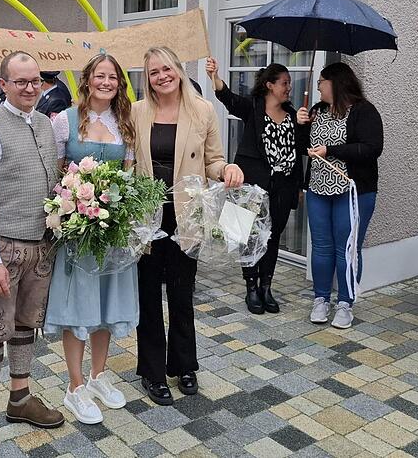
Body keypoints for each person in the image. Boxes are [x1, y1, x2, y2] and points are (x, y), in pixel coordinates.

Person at [131, 46, 244, 406]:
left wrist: (226, 170)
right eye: (153, 72)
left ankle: (183, 365)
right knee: (148, 296)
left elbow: (214, 160)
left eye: (167, 68)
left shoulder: (202, 110)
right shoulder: (136, 112)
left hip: (186, 216)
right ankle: (152, 371)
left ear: (178, 70)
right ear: (147, 78)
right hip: (147, 216)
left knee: (181, 294)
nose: (162, 76)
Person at [0, 51, 63, 457]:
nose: (29, 88)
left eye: (35, 80)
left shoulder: (45, 124)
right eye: (20, 81)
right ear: (3, 84)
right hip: (5, 248)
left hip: (41, 245)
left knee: (26, 325)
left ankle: (19, 398)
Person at [43, 54, 136, 425]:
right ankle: (75, 386)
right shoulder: (64, 120)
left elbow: (129, 177)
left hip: (111, 231)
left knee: (104, 305)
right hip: (76, 233)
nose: (107, 82)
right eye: (101, 75)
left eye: (113, 77)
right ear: (88, 79)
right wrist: (63, 208)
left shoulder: (124, 125)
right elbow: (51, 172)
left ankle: (98, 376)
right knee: (77, 307)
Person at [205, 57, 305, 314]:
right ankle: (251, 287)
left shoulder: (293, 115)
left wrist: (305, 124)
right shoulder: (253, 108)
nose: (288, 88)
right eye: (284, 83)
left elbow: (301, 148)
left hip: (282, 187)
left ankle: (266, 287)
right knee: (247, 236)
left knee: (272, 238)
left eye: (289, 83)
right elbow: (227, 97)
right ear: (270, 85)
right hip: (250, 186)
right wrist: (215, 76)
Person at [297, 62, 383, 330]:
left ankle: (346, 303)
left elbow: (372, 148)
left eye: (322, 81)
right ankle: (321, 298)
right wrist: (301, 126)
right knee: (321, 246)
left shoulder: (364, 111)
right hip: (318, 189)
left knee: (346, 248)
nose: (319, 86)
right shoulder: (317, 111)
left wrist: (331, 150)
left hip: (352, 190)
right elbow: (304, 148)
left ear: (336, 83)